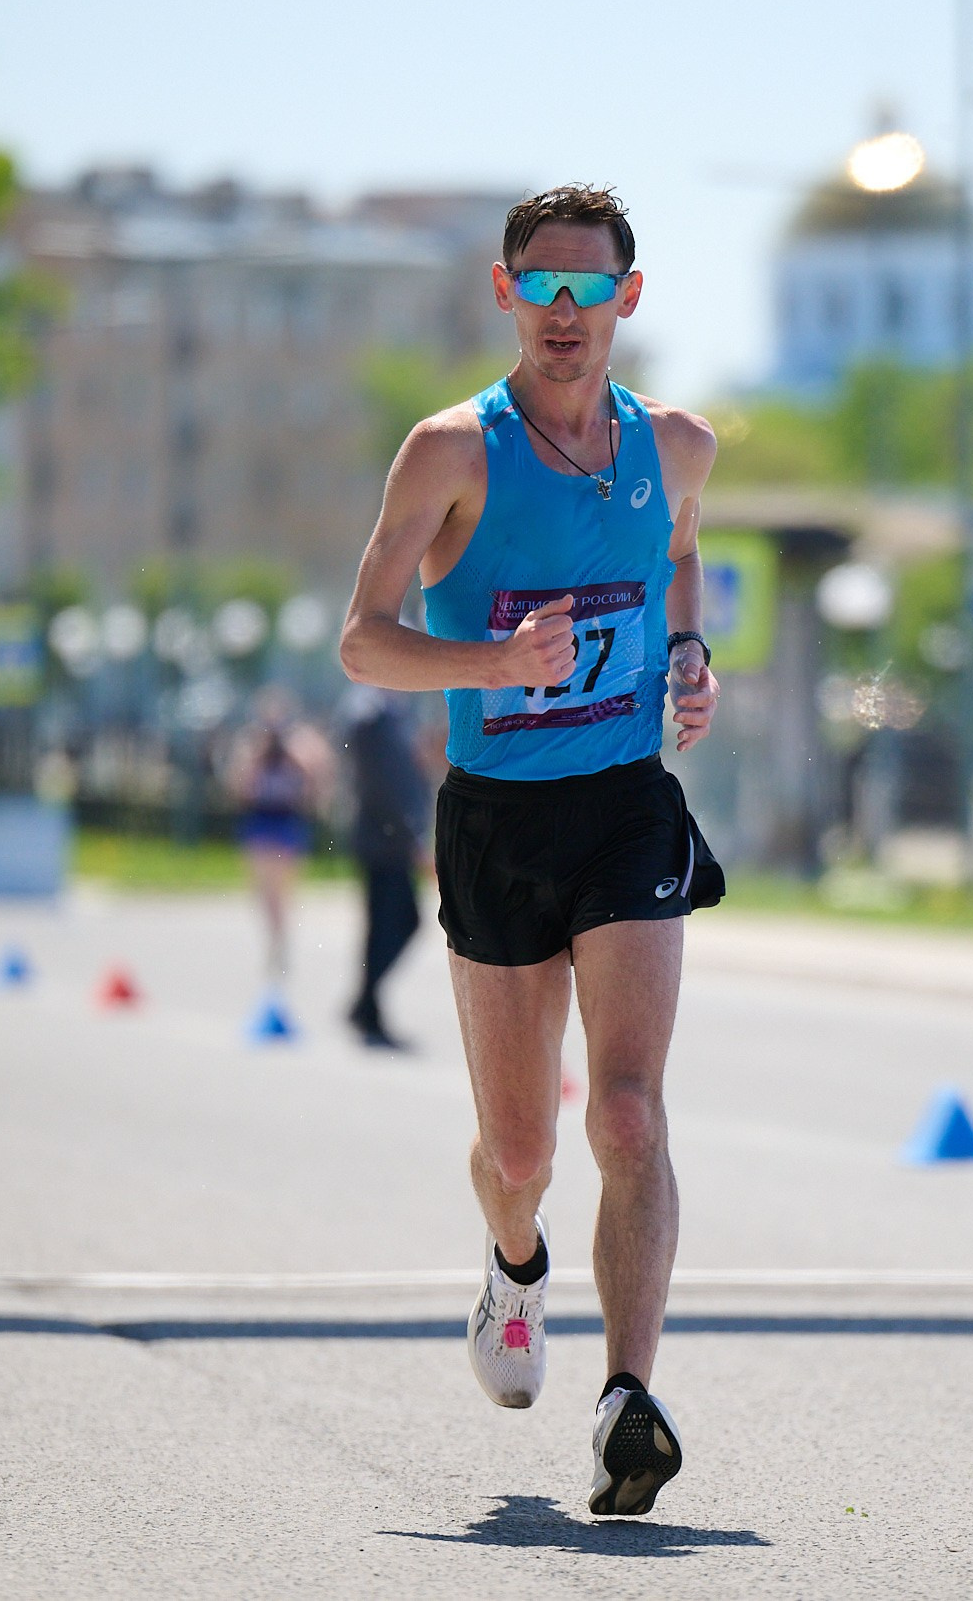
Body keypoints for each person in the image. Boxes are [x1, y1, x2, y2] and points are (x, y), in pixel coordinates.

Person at [338, 184, 722, 1517]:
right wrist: (496, 660)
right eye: (541, 289)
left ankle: (629, 1395)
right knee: (520, 1148)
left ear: (628, 295)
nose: (566, 314)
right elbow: (362, 641)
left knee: (626, 1108)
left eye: (589, 288)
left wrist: (687, 648)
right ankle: (514, 1259)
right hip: (496, 821)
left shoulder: (675, 443)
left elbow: (678, 555)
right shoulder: (450, 452)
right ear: (507, 295)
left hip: (625, 801)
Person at [338, 684, 431, 1052]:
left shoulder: (389, 713)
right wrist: (413, 838)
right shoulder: (372, 716)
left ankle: (367, 1005)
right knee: (397, 923)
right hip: (385, 840)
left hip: (388, 838)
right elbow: (385, 786)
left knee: (386, 927)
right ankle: (366, 1004)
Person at [225, 690, 334, 978]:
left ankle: (280, 938)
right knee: (262, 889)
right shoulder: (251, 743)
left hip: (287, 821)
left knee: (283, 889)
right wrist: (258, 757)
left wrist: (297, 762)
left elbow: (316, 780)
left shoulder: (300, 743)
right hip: (261, 819)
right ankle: (274, 937)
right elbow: (239, 787)